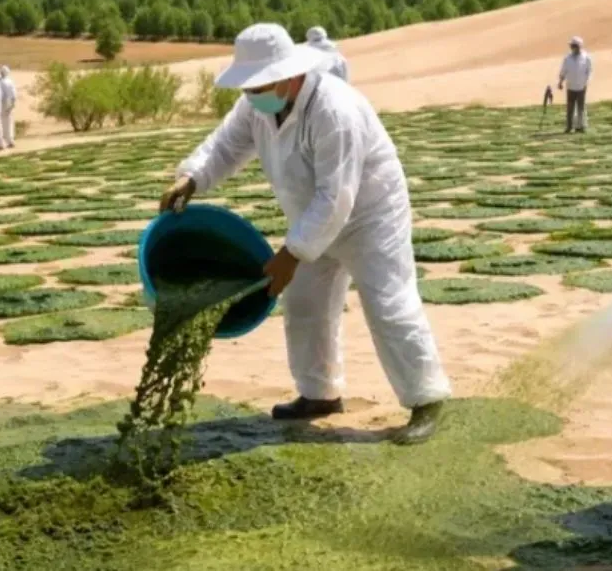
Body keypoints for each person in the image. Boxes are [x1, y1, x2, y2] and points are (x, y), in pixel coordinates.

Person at [160, 23, 452, 445]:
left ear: (291, 74)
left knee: (388, 301)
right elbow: (224, 146)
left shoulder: (335, 111)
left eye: (260, 83)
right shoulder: (257, 107)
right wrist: (191, 178)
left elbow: (338, 196)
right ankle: (319, 394)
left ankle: (427, 400)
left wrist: (292, 252)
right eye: (249, 85)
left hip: (370, 217)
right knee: (304, 304)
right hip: (310, 217)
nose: (252, 92)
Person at [557, 36, 592, 133]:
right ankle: (569, 126)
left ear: (579, 46)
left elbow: (589, 71)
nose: (572, 48)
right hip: (570, 86)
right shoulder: (567, 58)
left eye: (574, 46)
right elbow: (563, 71)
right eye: (571, 46)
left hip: (581, 86)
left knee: (581, 107)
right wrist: (560, 81)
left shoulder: (586, 57)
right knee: (570, 108)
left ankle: (581, 126)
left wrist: (586, 82)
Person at [0, 65, 17, 149]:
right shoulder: (9, 82)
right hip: (7, 102)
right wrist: (13, 104)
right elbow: (13, 95)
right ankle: (10, 141)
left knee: (0, 123)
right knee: (8, 122)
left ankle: (2, 141)